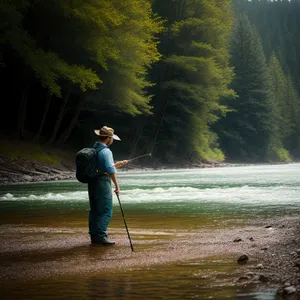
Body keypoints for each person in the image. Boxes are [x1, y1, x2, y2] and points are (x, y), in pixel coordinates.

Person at [88, 126, 128, 245]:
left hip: (92, 182)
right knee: (106, 210)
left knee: (95, 209)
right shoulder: (106, 151)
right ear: (108, 138)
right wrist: (117, 186)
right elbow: (110, 171)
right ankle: (101, 236)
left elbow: (102, 167)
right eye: (112, 139)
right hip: (102, 183)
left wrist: (116, 164)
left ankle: (94, 235)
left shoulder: (94, 149)